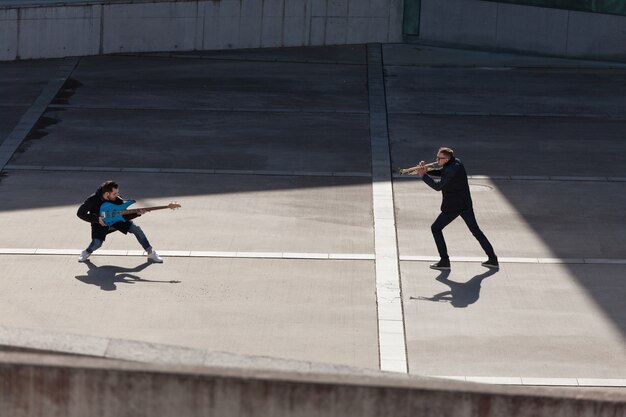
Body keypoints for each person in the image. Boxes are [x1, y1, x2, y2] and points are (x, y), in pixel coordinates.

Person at [415, 147, 498, 270]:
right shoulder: (455, 162)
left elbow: (438, 186)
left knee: (435, 228)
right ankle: (493, 259)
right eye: (437, 157)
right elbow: (442, 171)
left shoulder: (451, 169)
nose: (436, 159)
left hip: (453, 206)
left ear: (446, 158)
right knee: (475, 230)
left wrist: (423, 176)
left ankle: (444, 261)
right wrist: (426, 170)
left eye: (439, 158)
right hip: (465, 204)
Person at [77, 180, 163, 263]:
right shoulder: (93, 199)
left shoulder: (118, 199)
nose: (117, 195)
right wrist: (96, 219)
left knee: (136, 229)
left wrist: (137, 213)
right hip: (99, 224)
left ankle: (150, 253)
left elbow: (125, 216)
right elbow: (80, 213)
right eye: (114, 193)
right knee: (97, 244)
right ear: (107, 194)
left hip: (117, 221)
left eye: (117, 192)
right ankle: (86, 252)